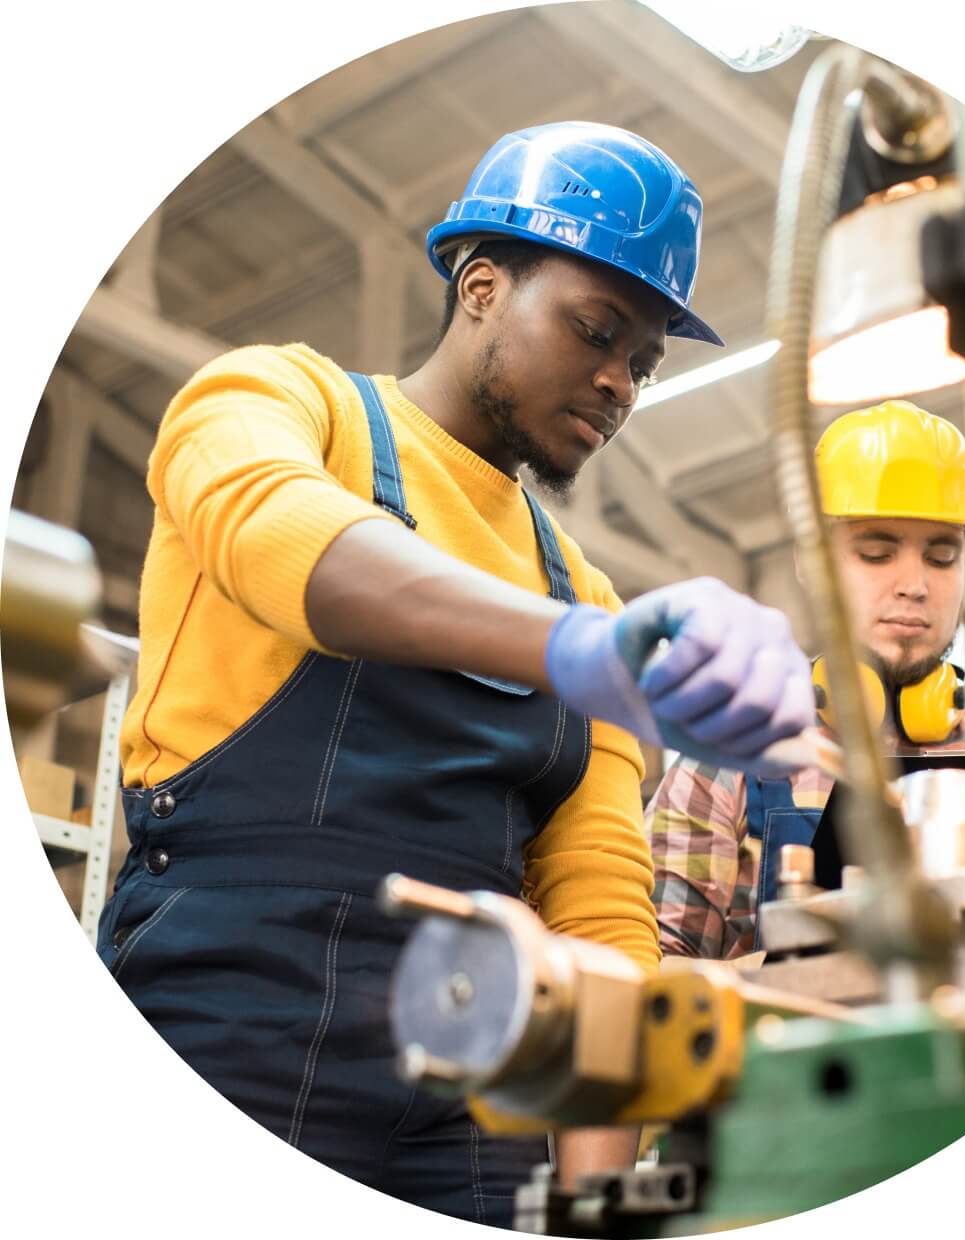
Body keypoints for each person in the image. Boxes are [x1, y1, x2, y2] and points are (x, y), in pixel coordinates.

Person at [95, 122, 813, 1226]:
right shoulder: (282, 404)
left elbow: (599, 914)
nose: (619, 381)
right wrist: (568, 653)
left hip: (486, 1056)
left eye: (644, 362)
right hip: (234, 1003)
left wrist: (597, 1190)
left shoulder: (589, 593)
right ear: (481, 285)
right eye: (594, 330)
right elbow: (290, 540)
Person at [647, 400, 965, 960]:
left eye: (942, 556)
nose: (914, 584)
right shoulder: (726, 761)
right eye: (877, 553)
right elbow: (653, 980)